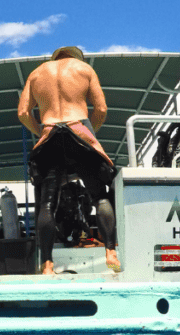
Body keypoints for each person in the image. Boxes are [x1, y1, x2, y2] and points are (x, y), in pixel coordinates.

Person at [17, 46, 120, 274]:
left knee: (47, 204)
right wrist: (88, 133)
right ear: (76, 57)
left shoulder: (36, 73)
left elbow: (23, 113)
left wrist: (41, 131)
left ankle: (47, 264)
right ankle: (110, 250)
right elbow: (101, 108)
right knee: (99, 195)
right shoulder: (84, 69)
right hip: (79, 130)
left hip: (49, 132)